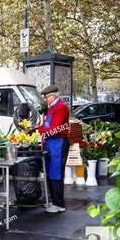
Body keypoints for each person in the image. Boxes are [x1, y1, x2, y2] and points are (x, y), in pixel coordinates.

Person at [37, 85, 69, 213]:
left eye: (47, 97)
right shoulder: (52, 107)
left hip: (58, 143)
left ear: (53, 96)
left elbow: (55, 129)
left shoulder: (60, 107)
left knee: (56, 172)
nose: (46, 100)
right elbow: (47, 126)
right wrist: (36, 130)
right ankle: (54, 200)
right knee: (50, 172)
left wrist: (40, 133)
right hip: (51, 143)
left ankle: (59, 204)